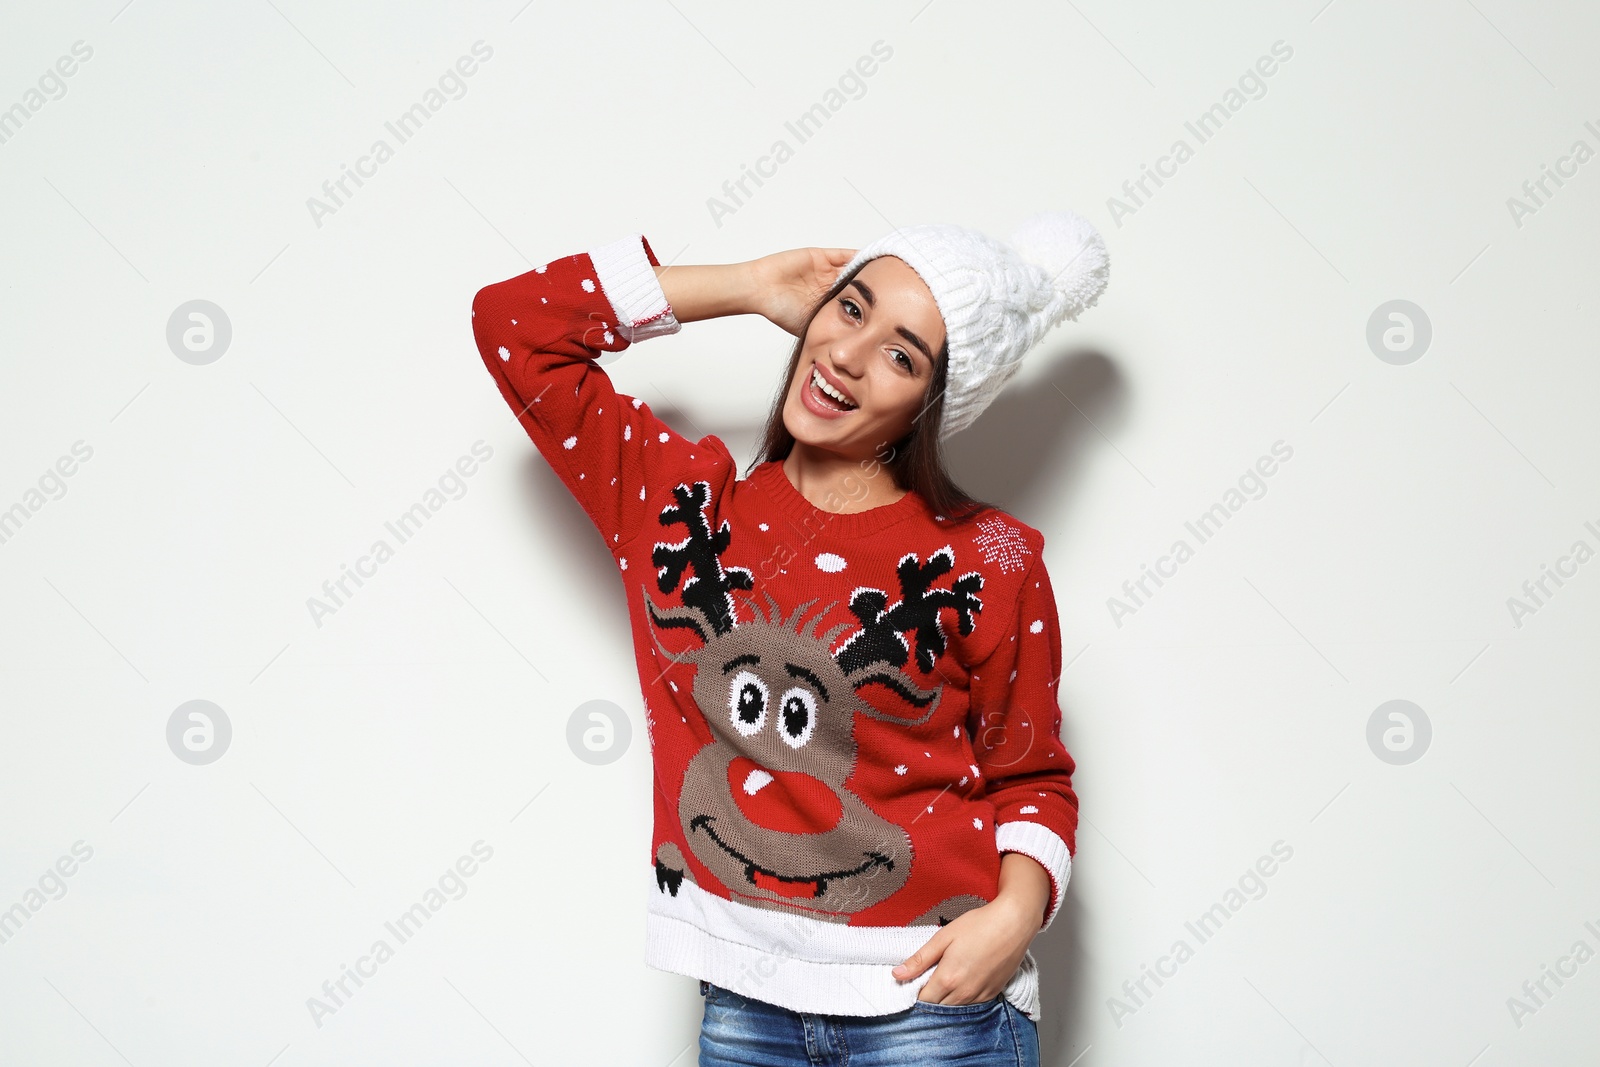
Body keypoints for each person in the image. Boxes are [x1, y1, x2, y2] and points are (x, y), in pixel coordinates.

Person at [469, 211, 1109, 1066]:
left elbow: (1032, 776)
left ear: (932, 401)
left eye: (901, 353)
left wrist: (1014, 915)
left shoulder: (989, 559)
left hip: (936, 1011)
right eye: (851, 309)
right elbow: (514, 324)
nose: (847, 354)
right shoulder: (680, 510)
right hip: (743, 1014)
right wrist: (746, 285)